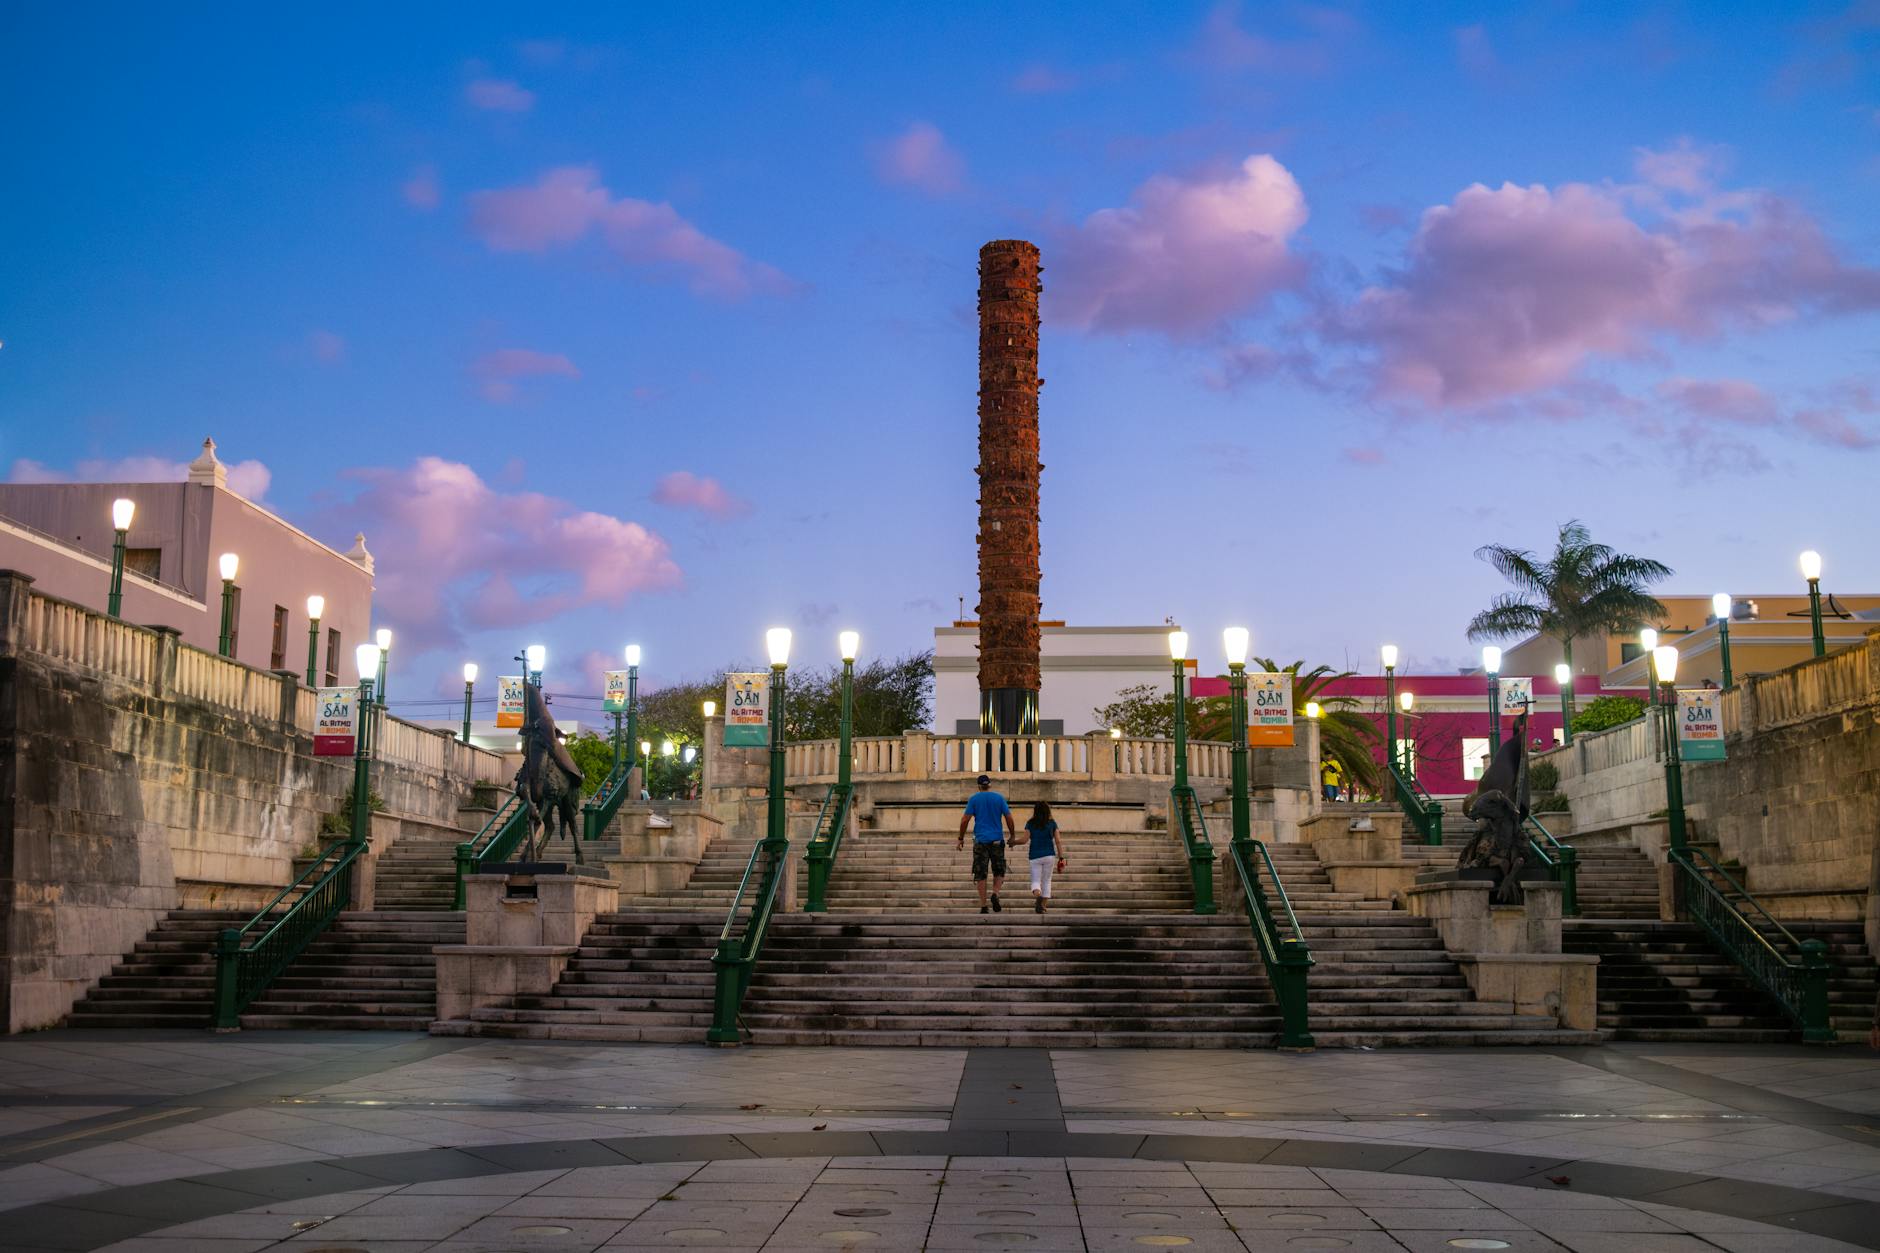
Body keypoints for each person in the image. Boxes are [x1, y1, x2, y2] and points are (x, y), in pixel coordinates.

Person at [957, 773, 1016, 913]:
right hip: (996, 840)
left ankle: (984, 906)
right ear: (989, 785)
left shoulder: (974, 799)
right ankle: (995, 893)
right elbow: (1009, 818)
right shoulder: (999, 798)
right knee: (999, 870)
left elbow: (965, 819)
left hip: (980, 841)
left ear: (979, 786)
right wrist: (1012, 835)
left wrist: (960, 838)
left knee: (981, 873)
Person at [1023, 801, 1067, 913]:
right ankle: (1043, 906)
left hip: (1035, 856)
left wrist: (1013, 842)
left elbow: (1024, 840)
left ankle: (1038, 895)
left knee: (1036, 880)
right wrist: (1061, 857)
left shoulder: (1030, 823)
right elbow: (1058, 841)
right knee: (1047, 881)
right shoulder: (1052, 823)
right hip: (1049, 855)